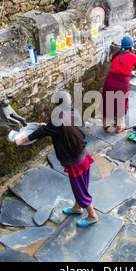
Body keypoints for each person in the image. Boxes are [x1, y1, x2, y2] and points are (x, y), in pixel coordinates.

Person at [14, 90, 98, 227]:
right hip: (83, 156)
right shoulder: (72, 112)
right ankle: (77, 207)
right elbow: (53, 128)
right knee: (81, 186)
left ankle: (92, 215)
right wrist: (46, 126)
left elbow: (41, 132)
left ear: (55, 104)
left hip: (75, 163)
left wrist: (21, 141)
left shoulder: (57, 119)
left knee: (81, 191)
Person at [101, 36, 136, 134]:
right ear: (131, 47)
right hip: (122, 83)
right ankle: (119, 127)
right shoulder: (135, 57)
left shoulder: (115, 54)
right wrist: (133, 73)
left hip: (110, 81)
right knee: (120, 104)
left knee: (108, 103)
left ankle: (106, 126)